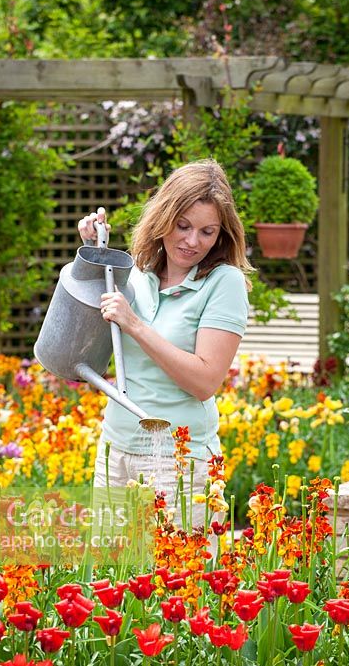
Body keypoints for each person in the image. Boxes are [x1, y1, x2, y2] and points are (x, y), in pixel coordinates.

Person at [78, 159, 251, 525]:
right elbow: (83, 334)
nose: (192, 241)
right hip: (115, 451)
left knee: (173, 579)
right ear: (163, 217)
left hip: (179, 462)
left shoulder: (224, 283)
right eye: (183, 225)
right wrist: (92, 254)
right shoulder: (137, 273)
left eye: (207, 231)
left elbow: (205, 382)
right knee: (112, 576)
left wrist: (136, 325)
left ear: (221, 234)